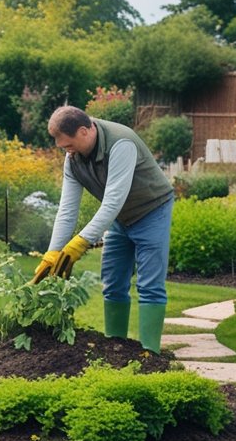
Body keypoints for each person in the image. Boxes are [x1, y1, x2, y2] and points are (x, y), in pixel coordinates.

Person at [32, 105, 175, 352]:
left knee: (149, 286)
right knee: (113, 282)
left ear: (84, 131)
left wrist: (80, 242)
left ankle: (151, 355)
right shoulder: (73, 159)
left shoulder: (121, 144)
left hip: (152, 211)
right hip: (120, 217)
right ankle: (116, 350)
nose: (66, 151)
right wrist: (52, 253)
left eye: (69, 145)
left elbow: (112, 201)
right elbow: (67, 210)